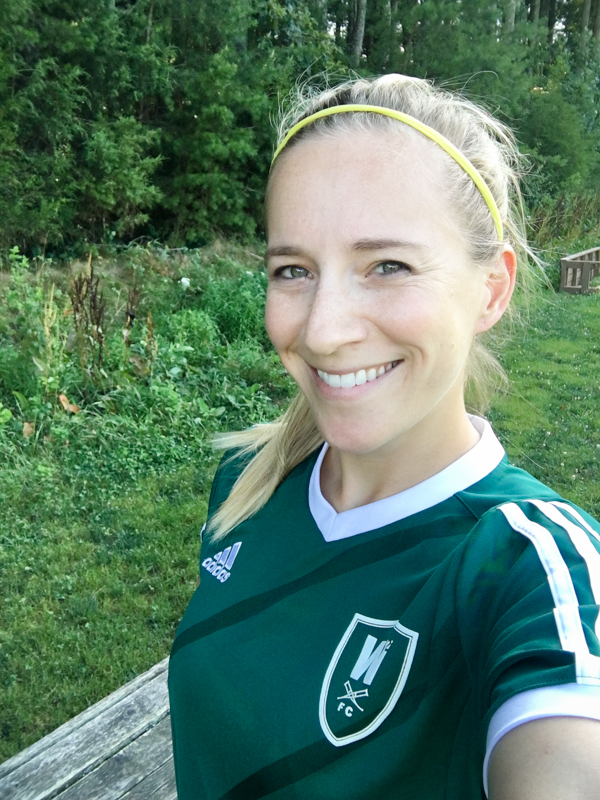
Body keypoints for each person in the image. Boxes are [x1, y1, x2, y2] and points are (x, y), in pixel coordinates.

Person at [168, 74, 600, 799]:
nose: (323, 330)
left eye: (388, 266)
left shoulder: (527, 568)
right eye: (294, 270)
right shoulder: (249, 481)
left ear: (491, 289)